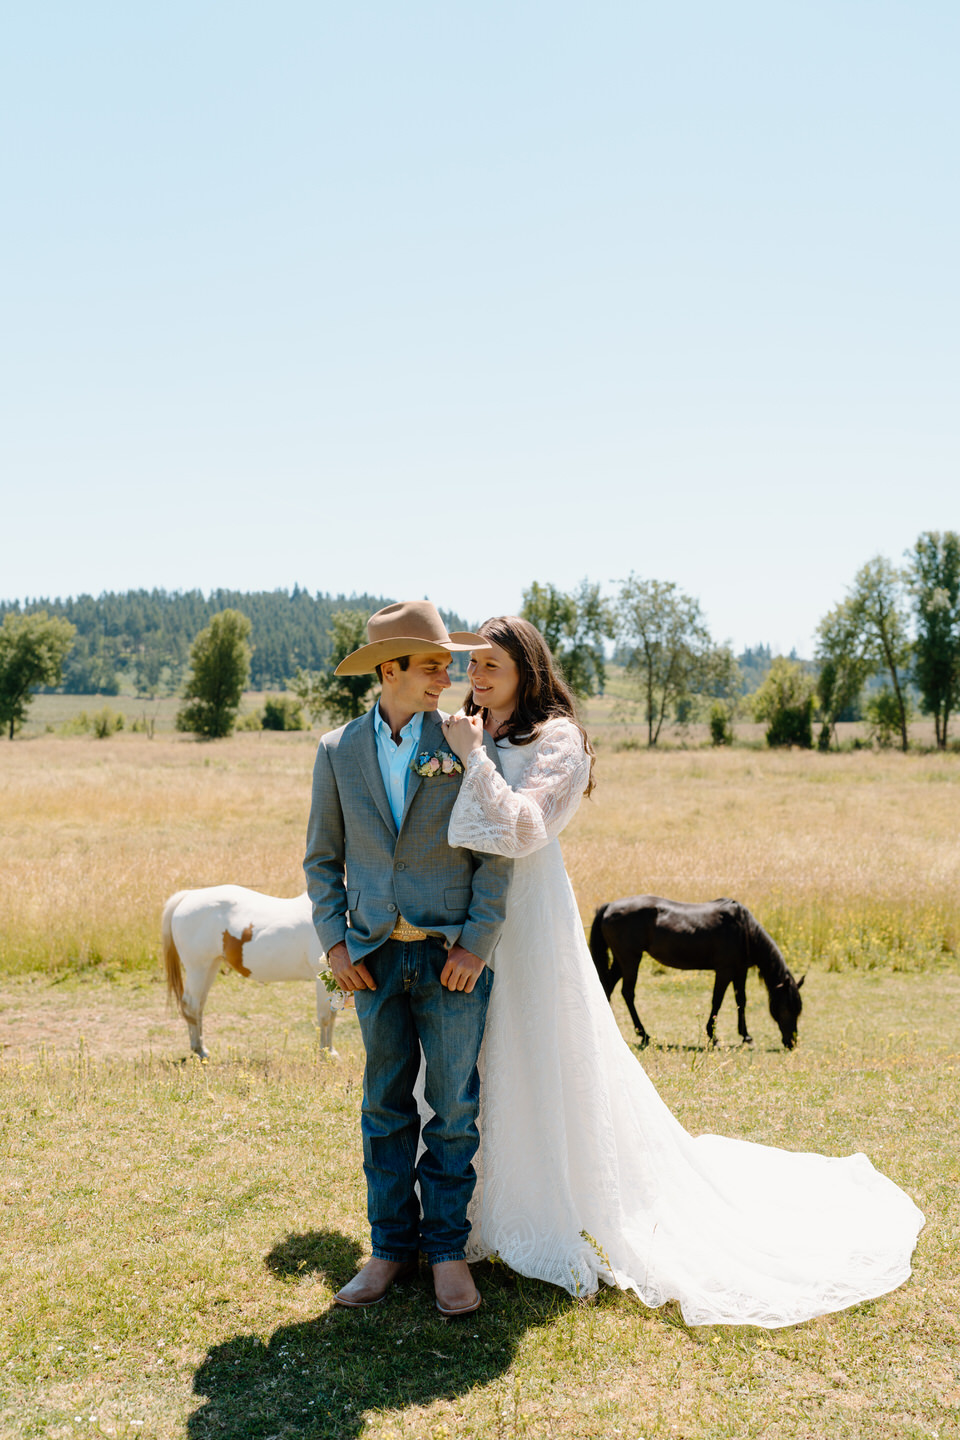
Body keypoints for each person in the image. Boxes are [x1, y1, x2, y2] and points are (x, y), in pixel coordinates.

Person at [438, 615, 924, 1328]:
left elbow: (524, 829)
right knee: (467, 1057)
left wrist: (473, 759)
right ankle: (464, 1211)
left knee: (534, 1044)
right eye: (472, 665)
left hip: (530, 917)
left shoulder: (557, 740)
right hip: (463, 919)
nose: (476, 678)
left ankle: (546, 1204)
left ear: (528, 672)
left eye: (491, 667)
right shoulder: (471, 726)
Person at [303, 601, 513, 1317]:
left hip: (449, 958)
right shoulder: (336, 751)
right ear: (389, 670)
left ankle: (447, 1252)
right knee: (384, 1108)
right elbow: (321, 859)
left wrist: (475, 944)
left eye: (450, 665)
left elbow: (494, 854)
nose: (448, 677)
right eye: (432, 665)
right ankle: (389, 1249)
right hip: (370, 961)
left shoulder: (461, 740)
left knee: (452, 1110)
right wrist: (335, 943)